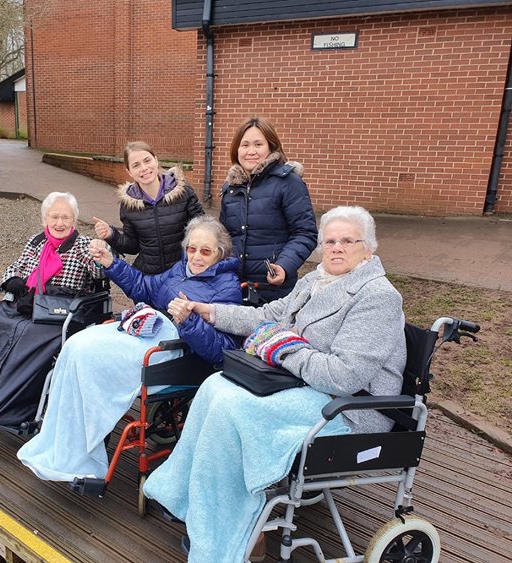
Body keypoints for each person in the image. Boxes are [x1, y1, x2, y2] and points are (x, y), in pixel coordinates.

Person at [143, 206, 406, 563]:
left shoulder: (377, 296)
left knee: (234, 410)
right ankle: (190, 500)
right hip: (306, 386)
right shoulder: (317, 279)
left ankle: (237, 536)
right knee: (215, 387)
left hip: (350, 409)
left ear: (368, 249)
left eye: (347, 241)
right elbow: (267, 317)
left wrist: (281, 348)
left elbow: (345, 377)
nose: (337, 248)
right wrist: (209, 311)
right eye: (330, 241)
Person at [17, 215, 243, 482]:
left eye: (205, 251)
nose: (196, 257)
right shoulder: (179, 271)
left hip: (174, 351)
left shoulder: (226, 287)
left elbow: (224, 349)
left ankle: (83, 451)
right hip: (147, 330)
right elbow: (143, 286)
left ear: (220, 252)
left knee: (88, 355)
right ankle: (63, 443)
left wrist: (189, 321)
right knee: (75, 345)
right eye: (191, 249)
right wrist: (111, 263)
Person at [0, 192, 105, 428]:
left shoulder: (83, 245)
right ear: (45, 219)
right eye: (54, 217)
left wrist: (101, 255)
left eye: (65, 217)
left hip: (58, 313)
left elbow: (100, 272)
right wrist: (12, 279)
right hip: (27, 304)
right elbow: (17, 266)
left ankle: (8, 408)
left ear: (74, 220)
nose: (59, 223)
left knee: (24, 344)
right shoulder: (36, 242)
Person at [220, 117, 318, 304]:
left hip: (273, 290)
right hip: (235, 287)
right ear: (236, 149)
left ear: (271, 147)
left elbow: (305, 233)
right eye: (245, 145)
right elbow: (225, 237)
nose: (251, 151)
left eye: (258, 144)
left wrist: (284, 265)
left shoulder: (289, 183)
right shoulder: (230, 189)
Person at [93, 141, 204, 276]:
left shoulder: (183, 191)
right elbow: (133, 246)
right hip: (150, 277)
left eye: (147, 160)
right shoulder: (128, 205)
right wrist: (111, 235)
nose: (144, 168)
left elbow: (203, 230)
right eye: (136, 165)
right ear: (129, 172)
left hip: (182, 273)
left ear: (156, 160)